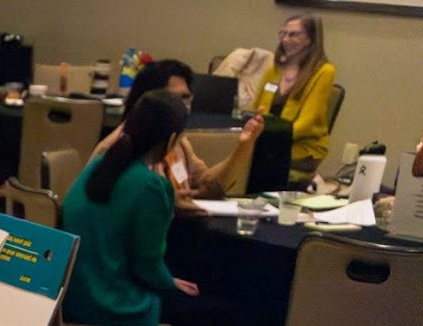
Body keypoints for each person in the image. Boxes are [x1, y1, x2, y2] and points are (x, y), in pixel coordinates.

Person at [63, 91, 224, 326]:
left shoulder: (95, 166)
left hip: (75, 293)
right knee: (204, 315)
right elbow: (147, 264)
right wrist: (169, 282)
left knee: (187, 308)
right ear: (172, 138)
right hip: (113, 301)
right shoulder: (150, 186)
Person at [91, 58, 265, 204]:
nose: (183, 106)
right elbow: (108, 205)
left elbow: (208, 186)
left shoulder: (178, 141)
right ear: (150, 99)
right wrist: (168, 203)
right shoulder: (115, 146)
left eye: (186, 97)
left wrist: (244, 146)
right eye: (174, 97)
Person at [256, 13, 338, 177]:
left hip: (302, 148)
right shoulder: (275, 69)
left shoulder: (324, 72)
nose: (286, 39)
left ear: (310, 39)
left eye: (293, 34)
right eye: (283, 34)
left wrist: (268, 139)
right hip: (267, 141)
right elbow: (254, 108)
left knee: (253, 161)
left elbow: (307, 123)